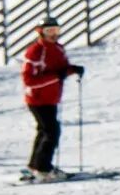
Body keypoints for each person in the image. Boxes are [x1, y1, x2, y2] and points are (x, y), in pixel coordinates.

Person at [20, 17, 85, 181]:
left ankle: (34, 167)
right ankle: (43, 169)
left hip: (51, 98)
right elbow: (29, 80)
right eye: (49, 31)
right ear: (40, 32)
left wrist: (72, 70)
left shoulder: (57, 49)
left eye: (56, 30)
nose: (54, 34)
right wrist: (56, 76)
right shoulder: (35, 51)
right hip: (37, 99)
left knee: (44, 131)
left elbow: (60, 70)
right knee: (51, 131)